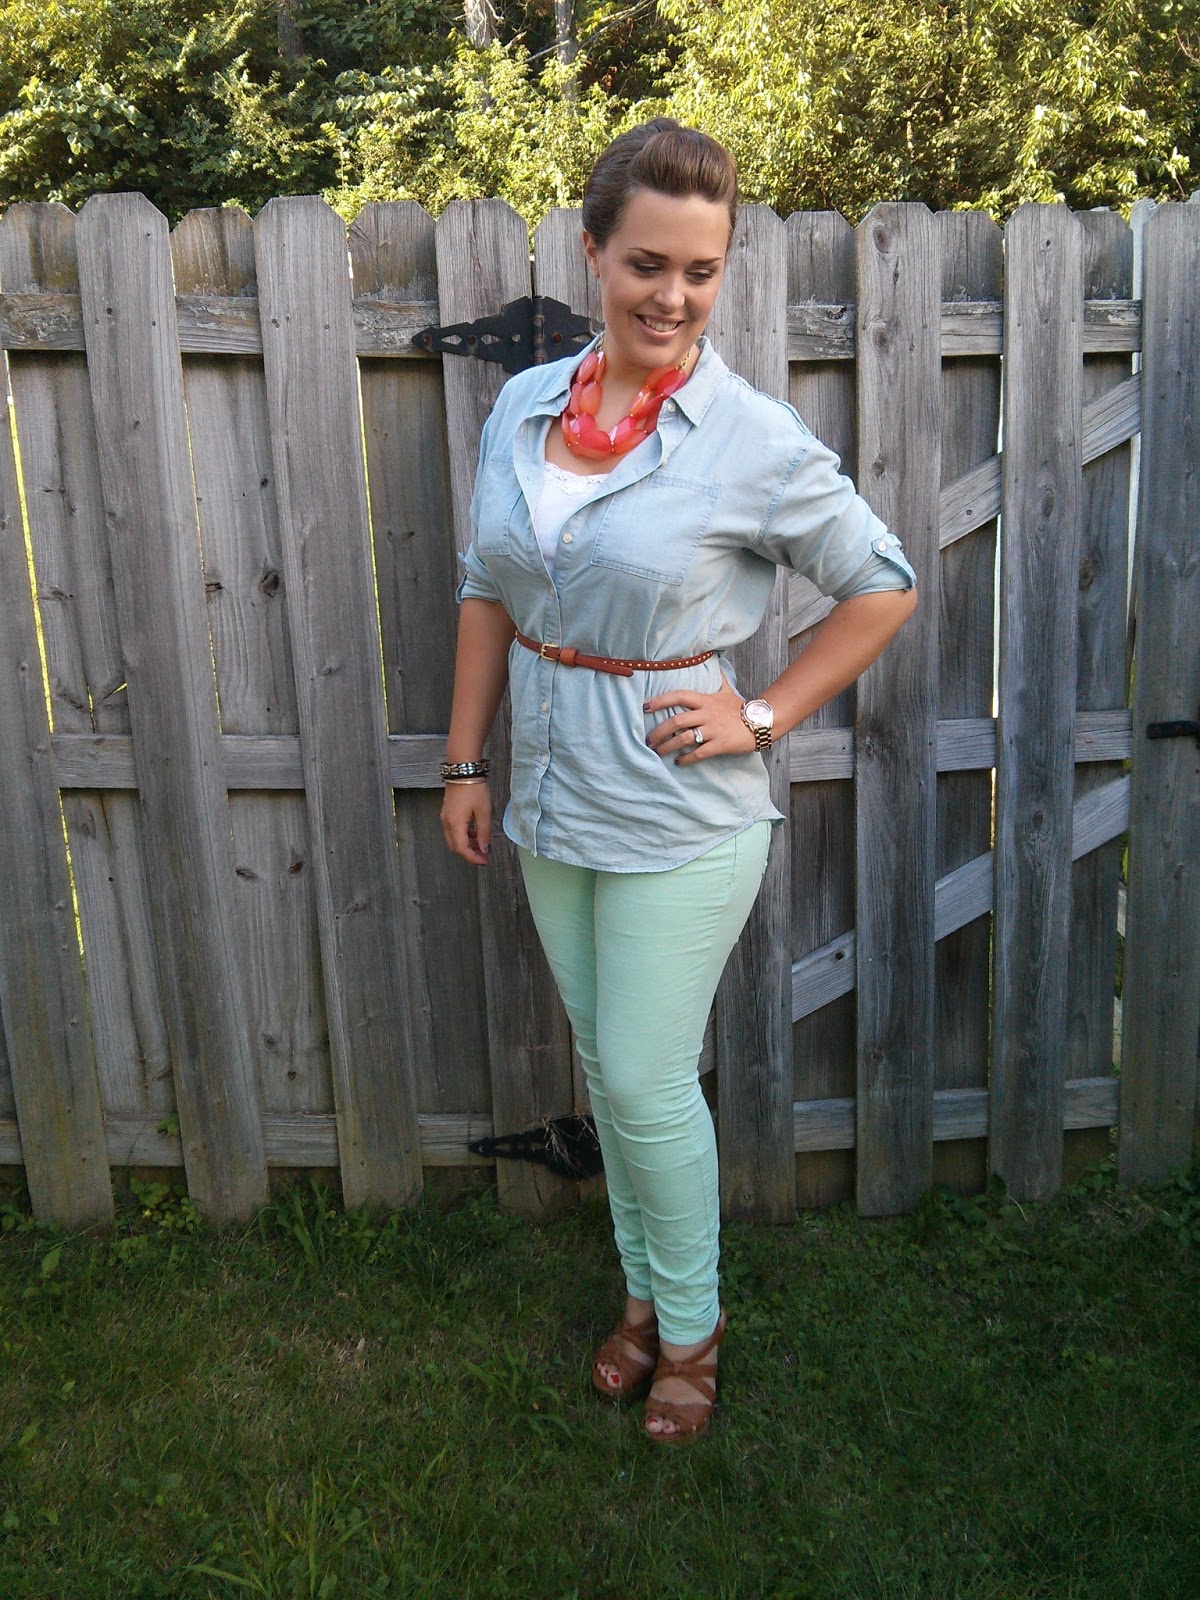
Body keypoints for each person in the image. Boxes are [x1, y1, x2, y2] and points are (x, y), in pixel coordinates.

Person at [440, 119, 918, 1445]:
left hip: (676, 812)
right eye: (648, 263)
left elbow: (882, 584)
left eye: (701, 271)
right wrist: (465, 759)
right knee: (611, 1072)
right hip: (549, 801)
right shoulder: (524, 409)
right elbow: (487, 586)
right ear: (594, 252)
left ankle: (692, 1331)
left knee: (647, 1082)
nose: (672, 296)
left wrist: (760, 711)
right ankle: (643, 1298)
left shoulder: (748, 437)